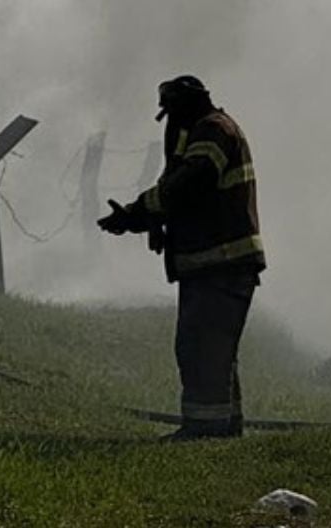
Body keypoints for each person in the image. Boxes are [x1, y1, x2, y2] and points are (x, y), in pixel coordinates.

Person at [99, 76, 264, 440]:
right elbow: (183, 189)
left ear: (185, 105)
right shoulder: (206, 131)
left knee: (201, 346)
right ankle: (222, 428)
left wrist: (136, 213)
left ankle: (204, 430)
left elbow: (188, 185)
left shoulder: (212, 132)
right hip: (218, 265)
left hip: (221, 263)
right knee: (213, 349)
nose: (171, 123)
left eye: (172, 112)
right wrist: (151, 221)